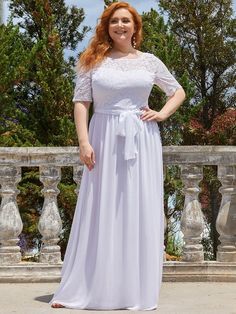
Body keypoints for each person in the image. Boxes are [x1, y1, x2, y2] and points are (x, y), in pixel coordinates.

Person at [49, 1, 185, 311]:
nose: (120, 25)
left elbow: (177, 91)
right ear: (106, 27)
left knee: (137, 206)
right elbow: (81, 103)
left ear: (135, 27)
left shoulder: (150, 62)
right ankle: (93, 287)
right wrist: (84, 142)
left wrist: (161, 114)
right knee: (103, 207)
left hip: (141, 139)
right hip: (103, 137)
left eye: (126, 21)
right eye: (114, 21)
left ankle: (133, 291)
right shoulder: (92, 61)